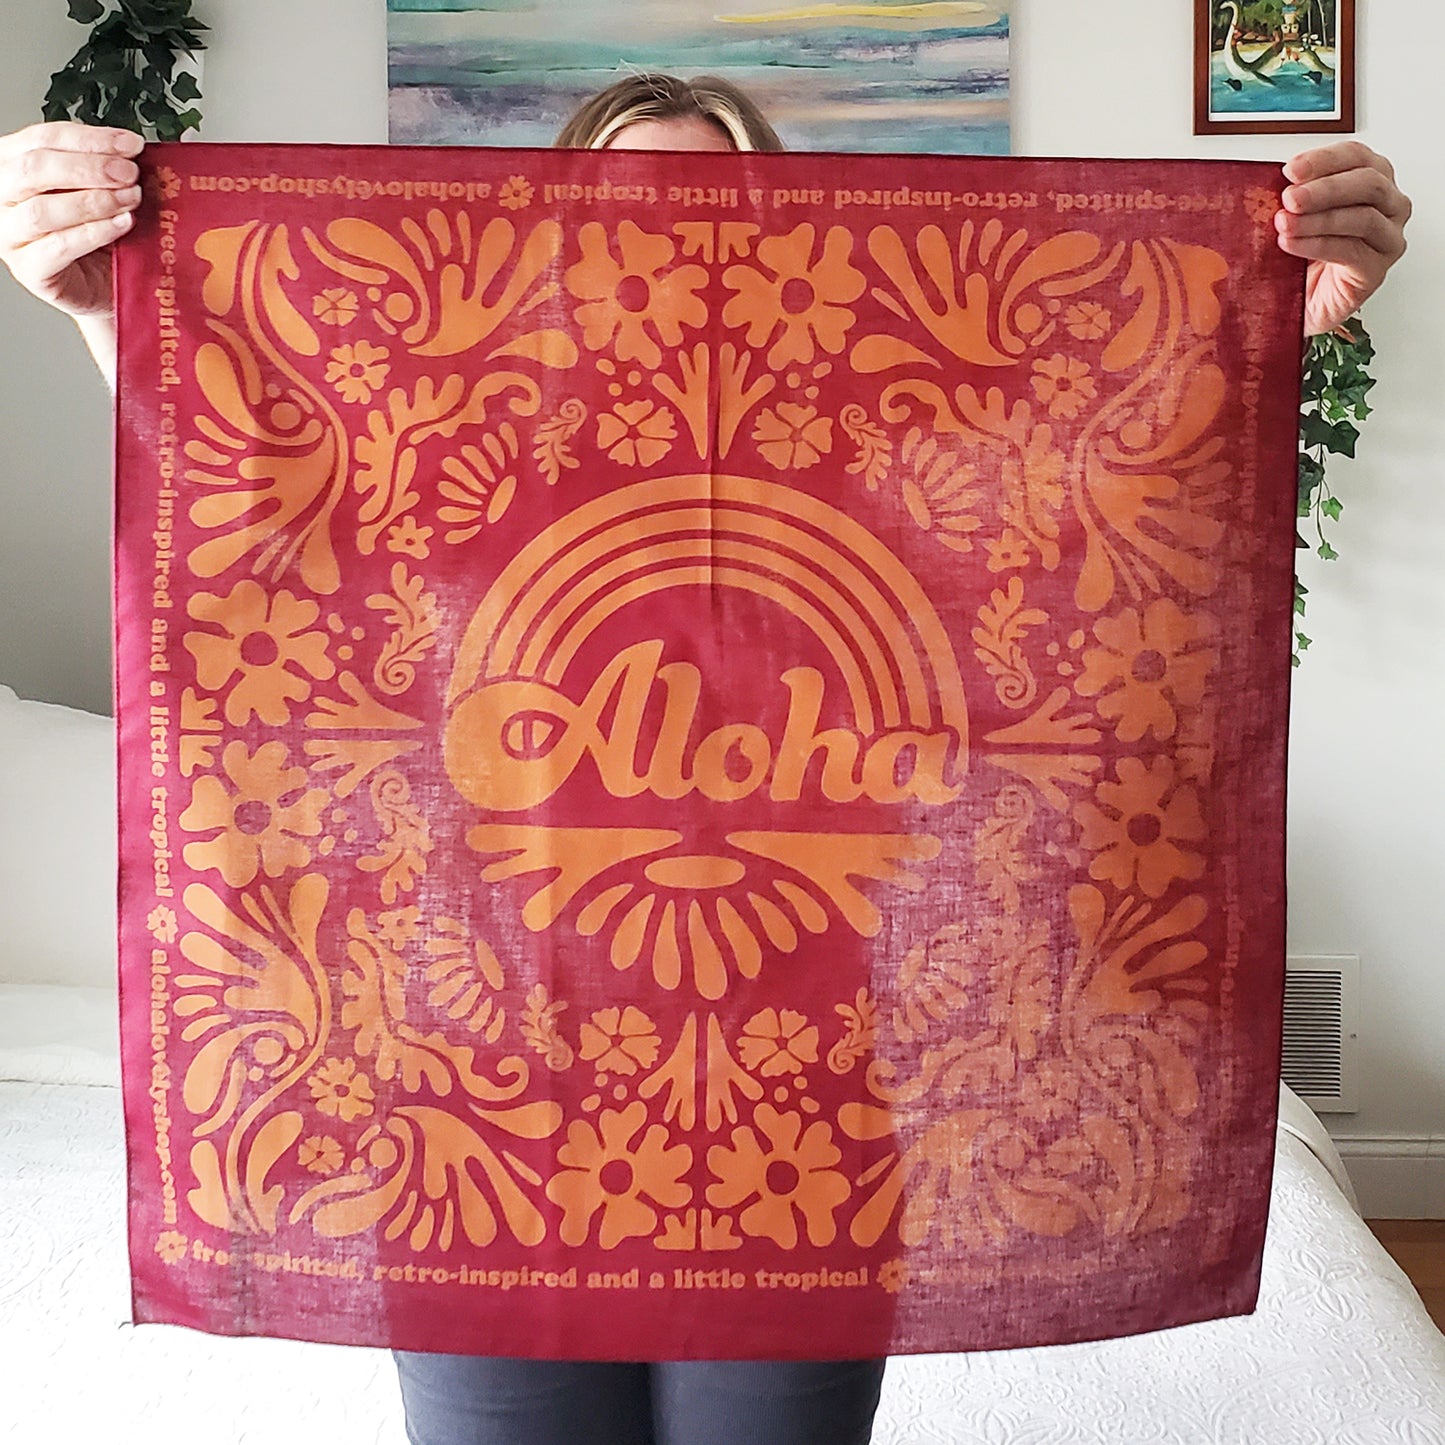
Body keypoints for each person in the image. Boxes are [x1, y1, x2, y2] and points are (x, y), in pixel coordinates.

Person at [0, 71, 1413, 1445]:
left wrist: (1267, 321)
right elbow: (271, 490)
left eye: (713, 202)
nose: (669, 243)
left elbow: (1064, 520)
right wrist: (114, 310)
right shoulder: (459, 449)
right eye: (630, 208)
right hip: (478, 1087)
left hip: (808, 1100)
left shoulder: (875, 453)